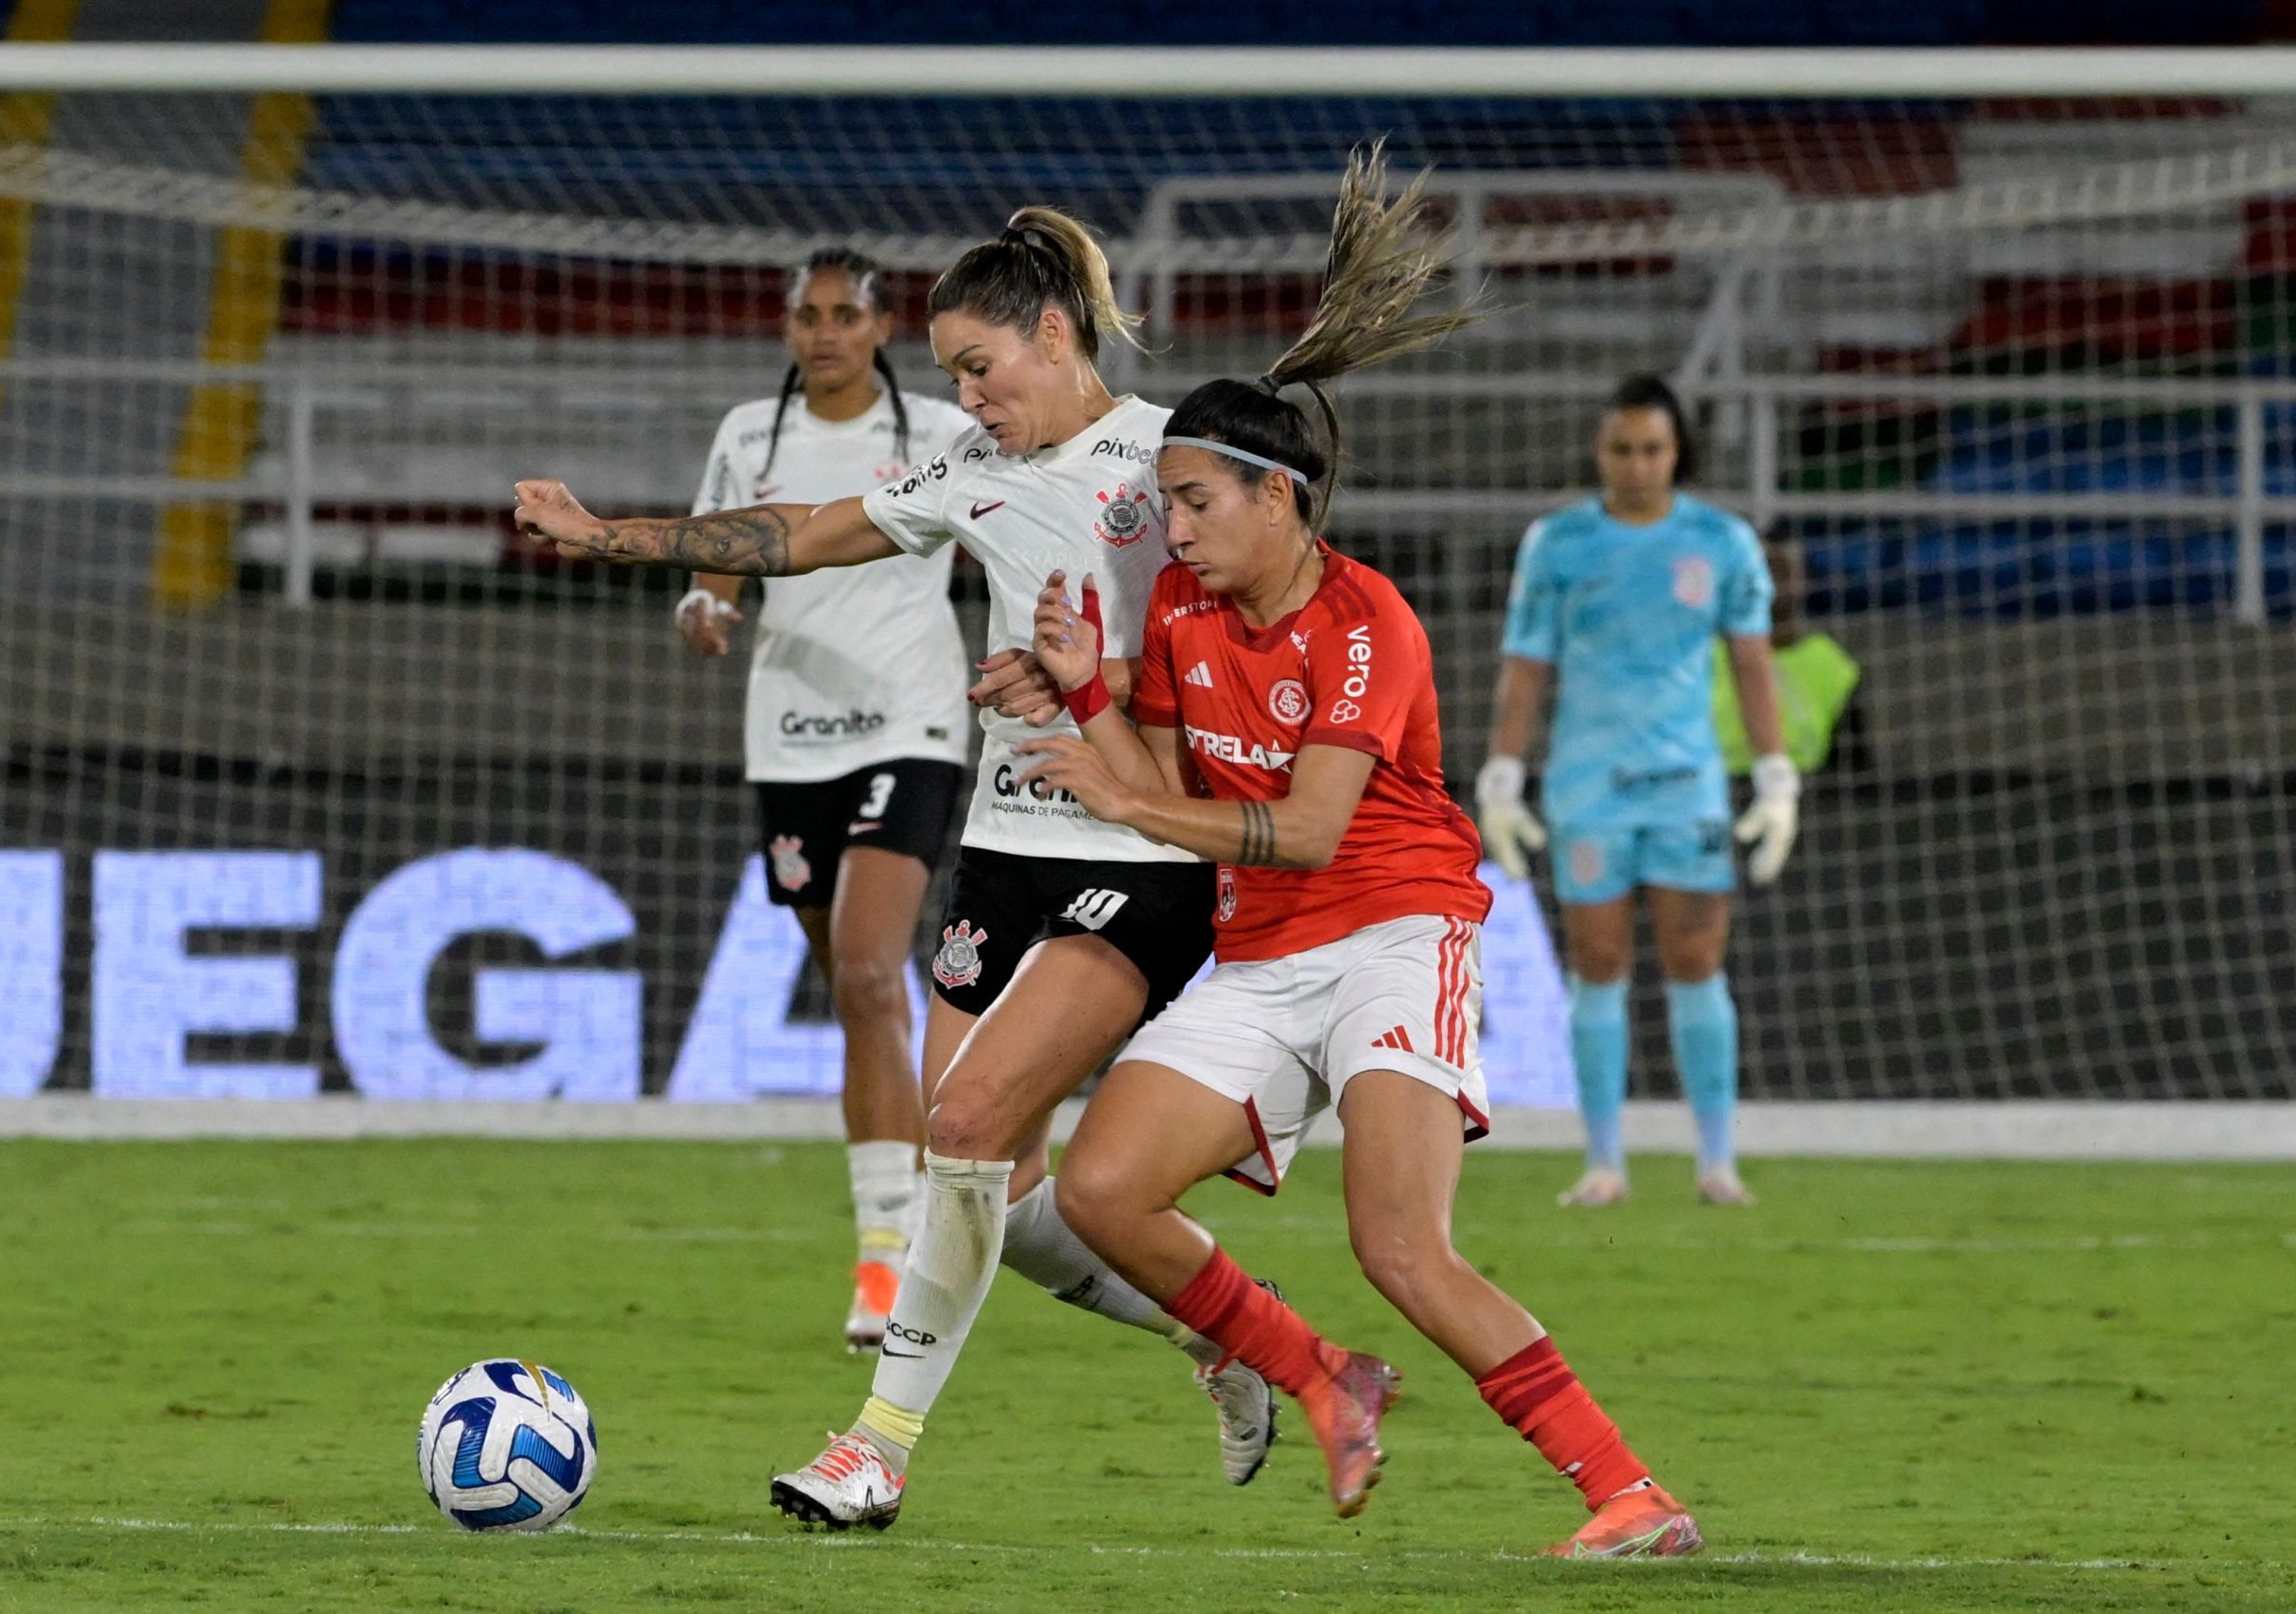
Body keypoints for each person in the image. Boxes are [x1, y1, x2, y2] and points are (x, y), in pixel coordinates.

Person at [512, 207, 1274, 1531]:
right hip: (1005, 841)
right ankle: (1225, 1332)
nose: (966, 396)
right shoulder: (974, 470)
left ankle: (877, 1446)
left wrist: (1105, 676)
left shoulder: (1172, 457)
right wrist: (609, 535)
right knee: (988, 1176)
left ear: (1054, 331)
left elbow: (1263, 636)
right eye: (953, 373)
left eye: (982, 364)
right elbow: (800, 531)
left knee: (968, 1130)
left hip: (1136, 843)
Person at [1014, 145, 1703, 1562]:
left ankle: (1628, 1488)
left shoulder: (1369, 619)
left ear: (1278, 495)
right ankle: (1323, 1375)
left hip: (1395, 926)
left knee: (1401, 1244)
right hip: (1262, 947)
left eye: (1197, 501)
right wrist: (1089, 686)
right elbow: (1151, 776)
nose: (1177, 529)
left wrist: (1134, 803)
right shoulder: (1194, 628)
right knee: (1096, 1189)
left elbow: (1314, 826)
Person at [675, 248, 977, 1353]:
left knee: (863, 968)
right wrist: (701, 613)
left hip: (913, 722)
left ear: (884, 324)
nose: (825, 333)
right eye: (807, 315)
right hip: (788, 736)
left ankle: (883, 1266)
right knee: (856, 991)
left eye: (845, 314)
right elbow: (715, 569)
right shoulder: (748, 434)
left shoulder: (941, 433)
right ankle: (915, 1218)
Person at [1475, 375, 1798, 1209]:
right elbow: (1525, 665)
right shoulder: (1559, 543)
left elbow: (1753, 663)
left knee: (1697, 962)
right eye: (1622, 449)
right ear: (1600, 451)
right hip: (1589, 789)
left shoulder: (1722, 542)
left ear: (1677, 451)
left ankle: (1717, 1160)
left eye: (1653, 448)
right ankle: (1604, 1160)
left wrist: (1774, 771)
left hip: (1687, 786)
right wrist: (1505, 772)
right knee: (1599, 964)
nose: (1638, 465)